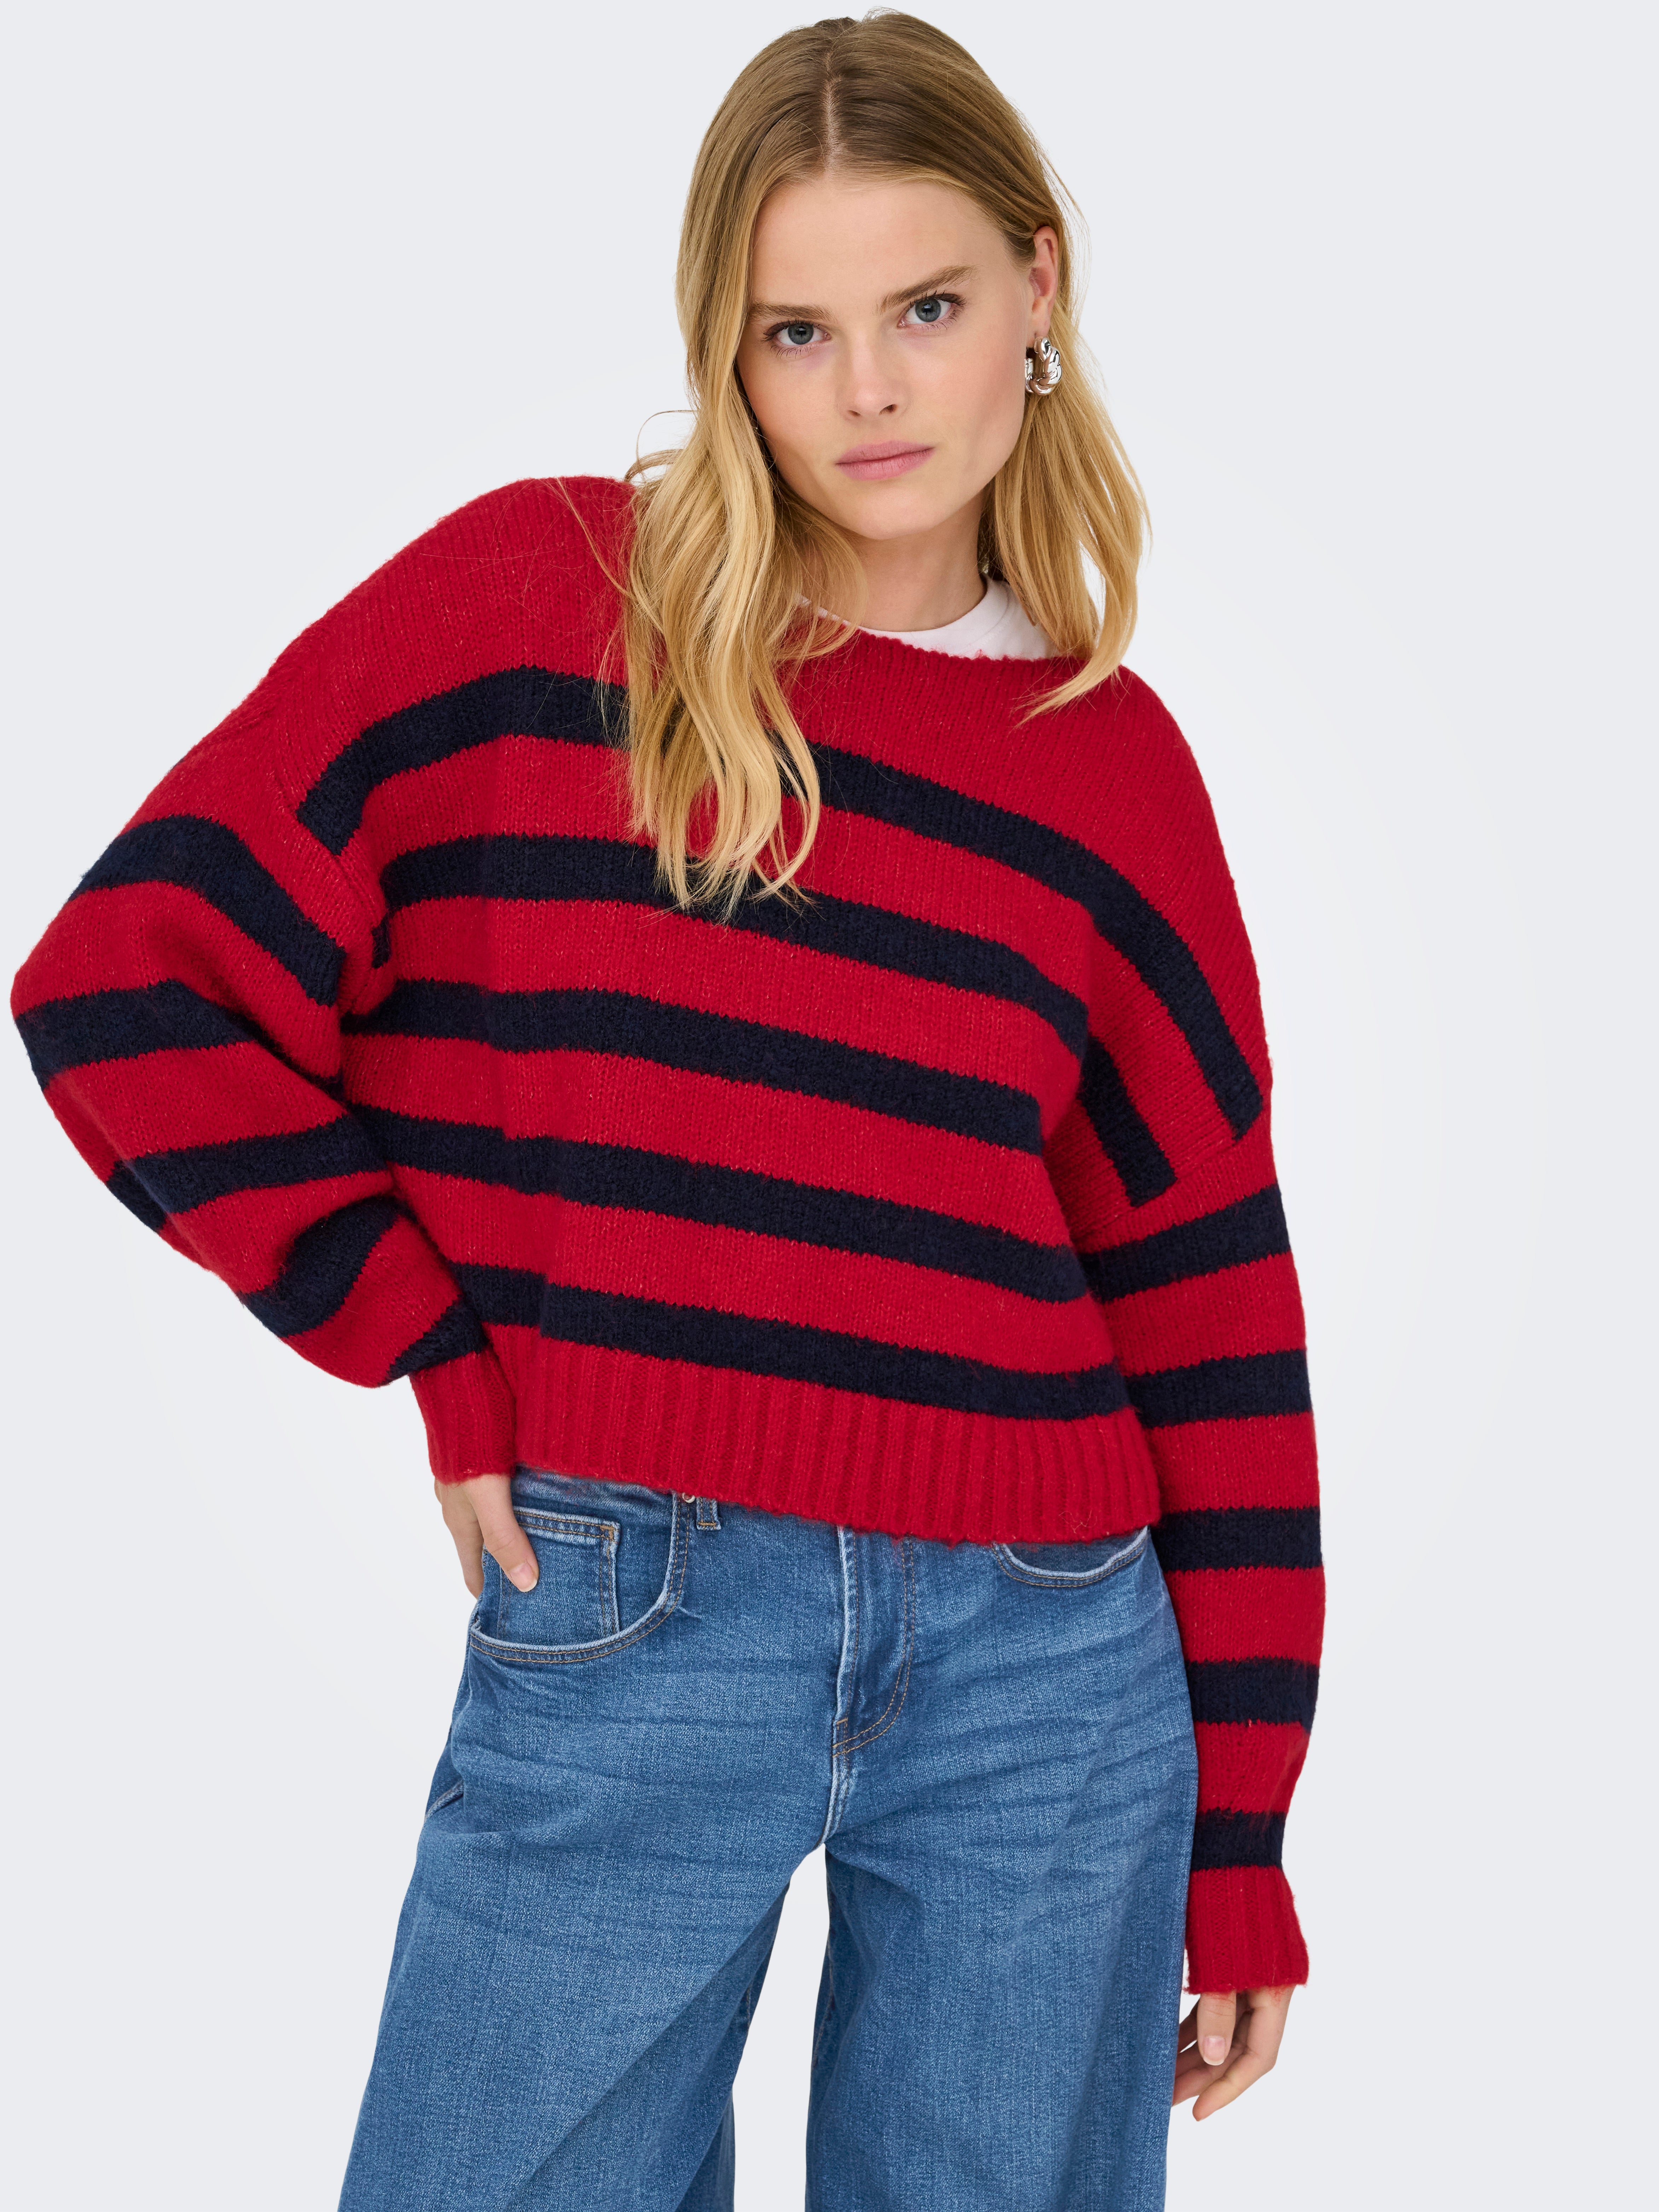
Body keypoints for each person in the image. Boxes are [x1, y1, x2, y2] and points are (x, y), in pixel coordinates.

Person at [11, 12, 1322, 2208]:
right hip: (634, 1592)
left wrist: (1247, 1835)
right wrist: (425, 1342)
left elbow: (1206, 1305)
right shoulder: (540, 609)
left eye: (924, 308)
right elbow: (129, 987)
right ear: (725, 348)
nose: (870, 389)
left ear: (1037, 287)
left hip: (1051, 1650)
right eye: (795, 331)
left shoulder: (1110, 769)